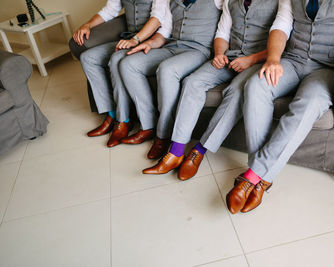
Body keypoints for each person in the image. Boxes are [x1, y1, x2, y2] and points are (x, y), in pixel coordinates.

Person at [224, 0, 334, 214]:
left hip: (329, 68)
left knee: (309, 105)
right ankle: (262, 177)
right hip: (293, 60)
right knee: (256, 86)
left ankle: (252, 177)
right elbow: (281, 25)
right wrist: (273, 59)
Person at [142, 0, 279, 179]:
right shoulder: (231, 2)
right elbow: (222, 34)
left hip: (259, 61)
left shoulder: (280, 2)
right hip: (230, 57)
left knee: (236, 91)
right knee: (192, 82)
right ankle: (176, 151)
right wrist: (220, 54)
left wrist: (251, 60)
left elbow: (283, 41)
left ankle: (200, 150)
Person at [115, 0, 223, 160]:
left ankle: (163, 135)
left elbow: (228, 25)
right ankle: (148, 124)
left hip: (199, 50)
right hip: (171, 47)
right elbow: (164, 33)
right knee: (128, 64)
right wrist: (148, 44)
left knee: (166, 70)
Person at [73, 0, 166, 147]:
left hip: (152, 40)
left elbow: (158, 18)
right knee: (88, 58)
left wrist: (136, 39)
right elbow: (110, 10)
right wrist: (88, 24)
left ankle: (123, 121)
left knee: (116, 59)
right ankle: (112, 113)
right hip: (130, 37)